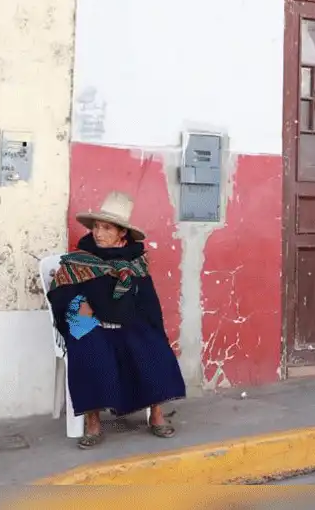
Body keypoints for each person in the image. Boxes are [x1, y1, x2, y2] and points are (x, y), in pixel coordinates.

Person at [46, 191, 186, 449]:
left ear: (122, 233)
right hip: (90, 321)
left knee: (153, 347)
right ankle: (93, 421)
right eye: (97, 227)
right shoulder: (79, 259)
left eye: (107, 228)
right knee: (91, 351)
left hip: (127, 319)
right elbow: (61, 293)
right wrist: (80, 308)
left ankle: (156, 415)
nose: (99, 233)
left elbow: (147, 299)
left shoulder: (135, 261)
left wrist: (153, 327)